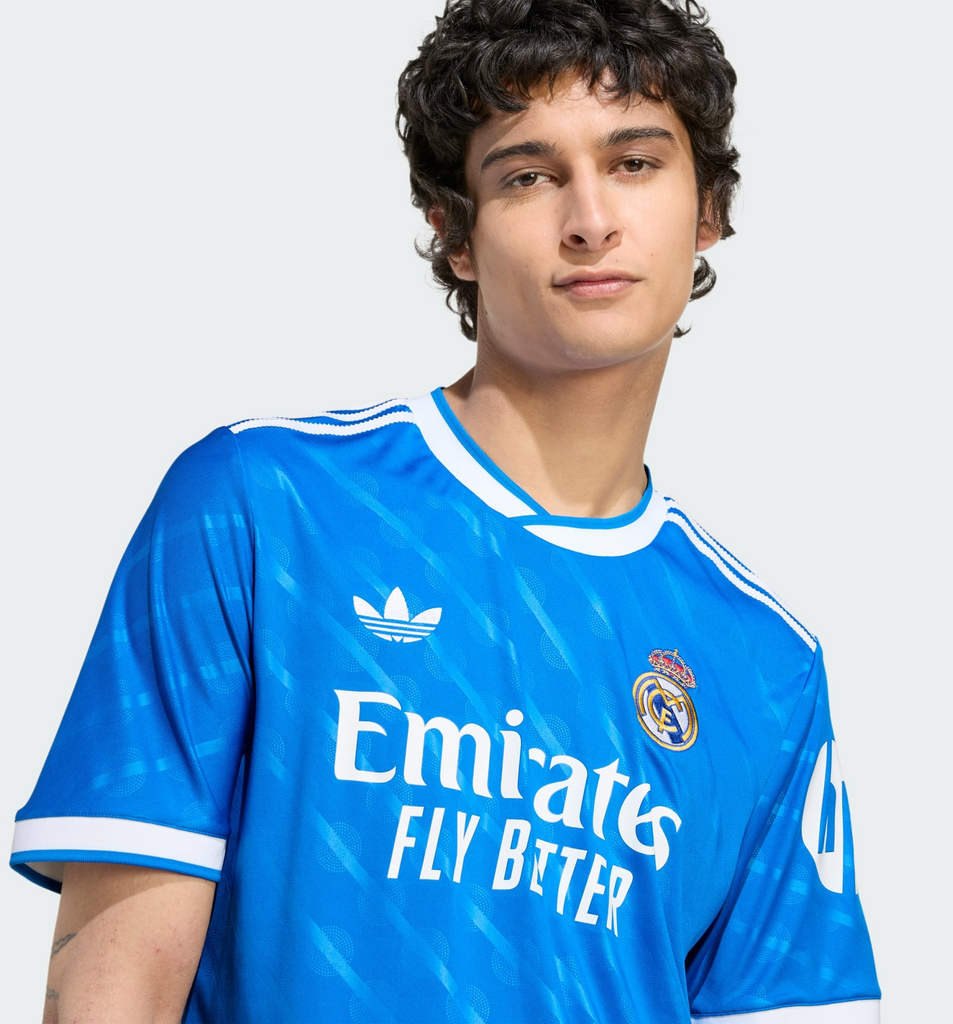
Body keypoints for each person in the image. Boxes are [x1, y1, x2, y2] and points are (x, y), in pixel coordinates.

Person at [11, 1, 881, 1021]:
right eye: (527, 176)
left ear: (708, 213)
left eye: (635, 162)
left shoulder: (766, 660)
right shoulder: (265, 506)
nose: (590, 219)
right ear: (455, 234)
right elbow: (110, 989)